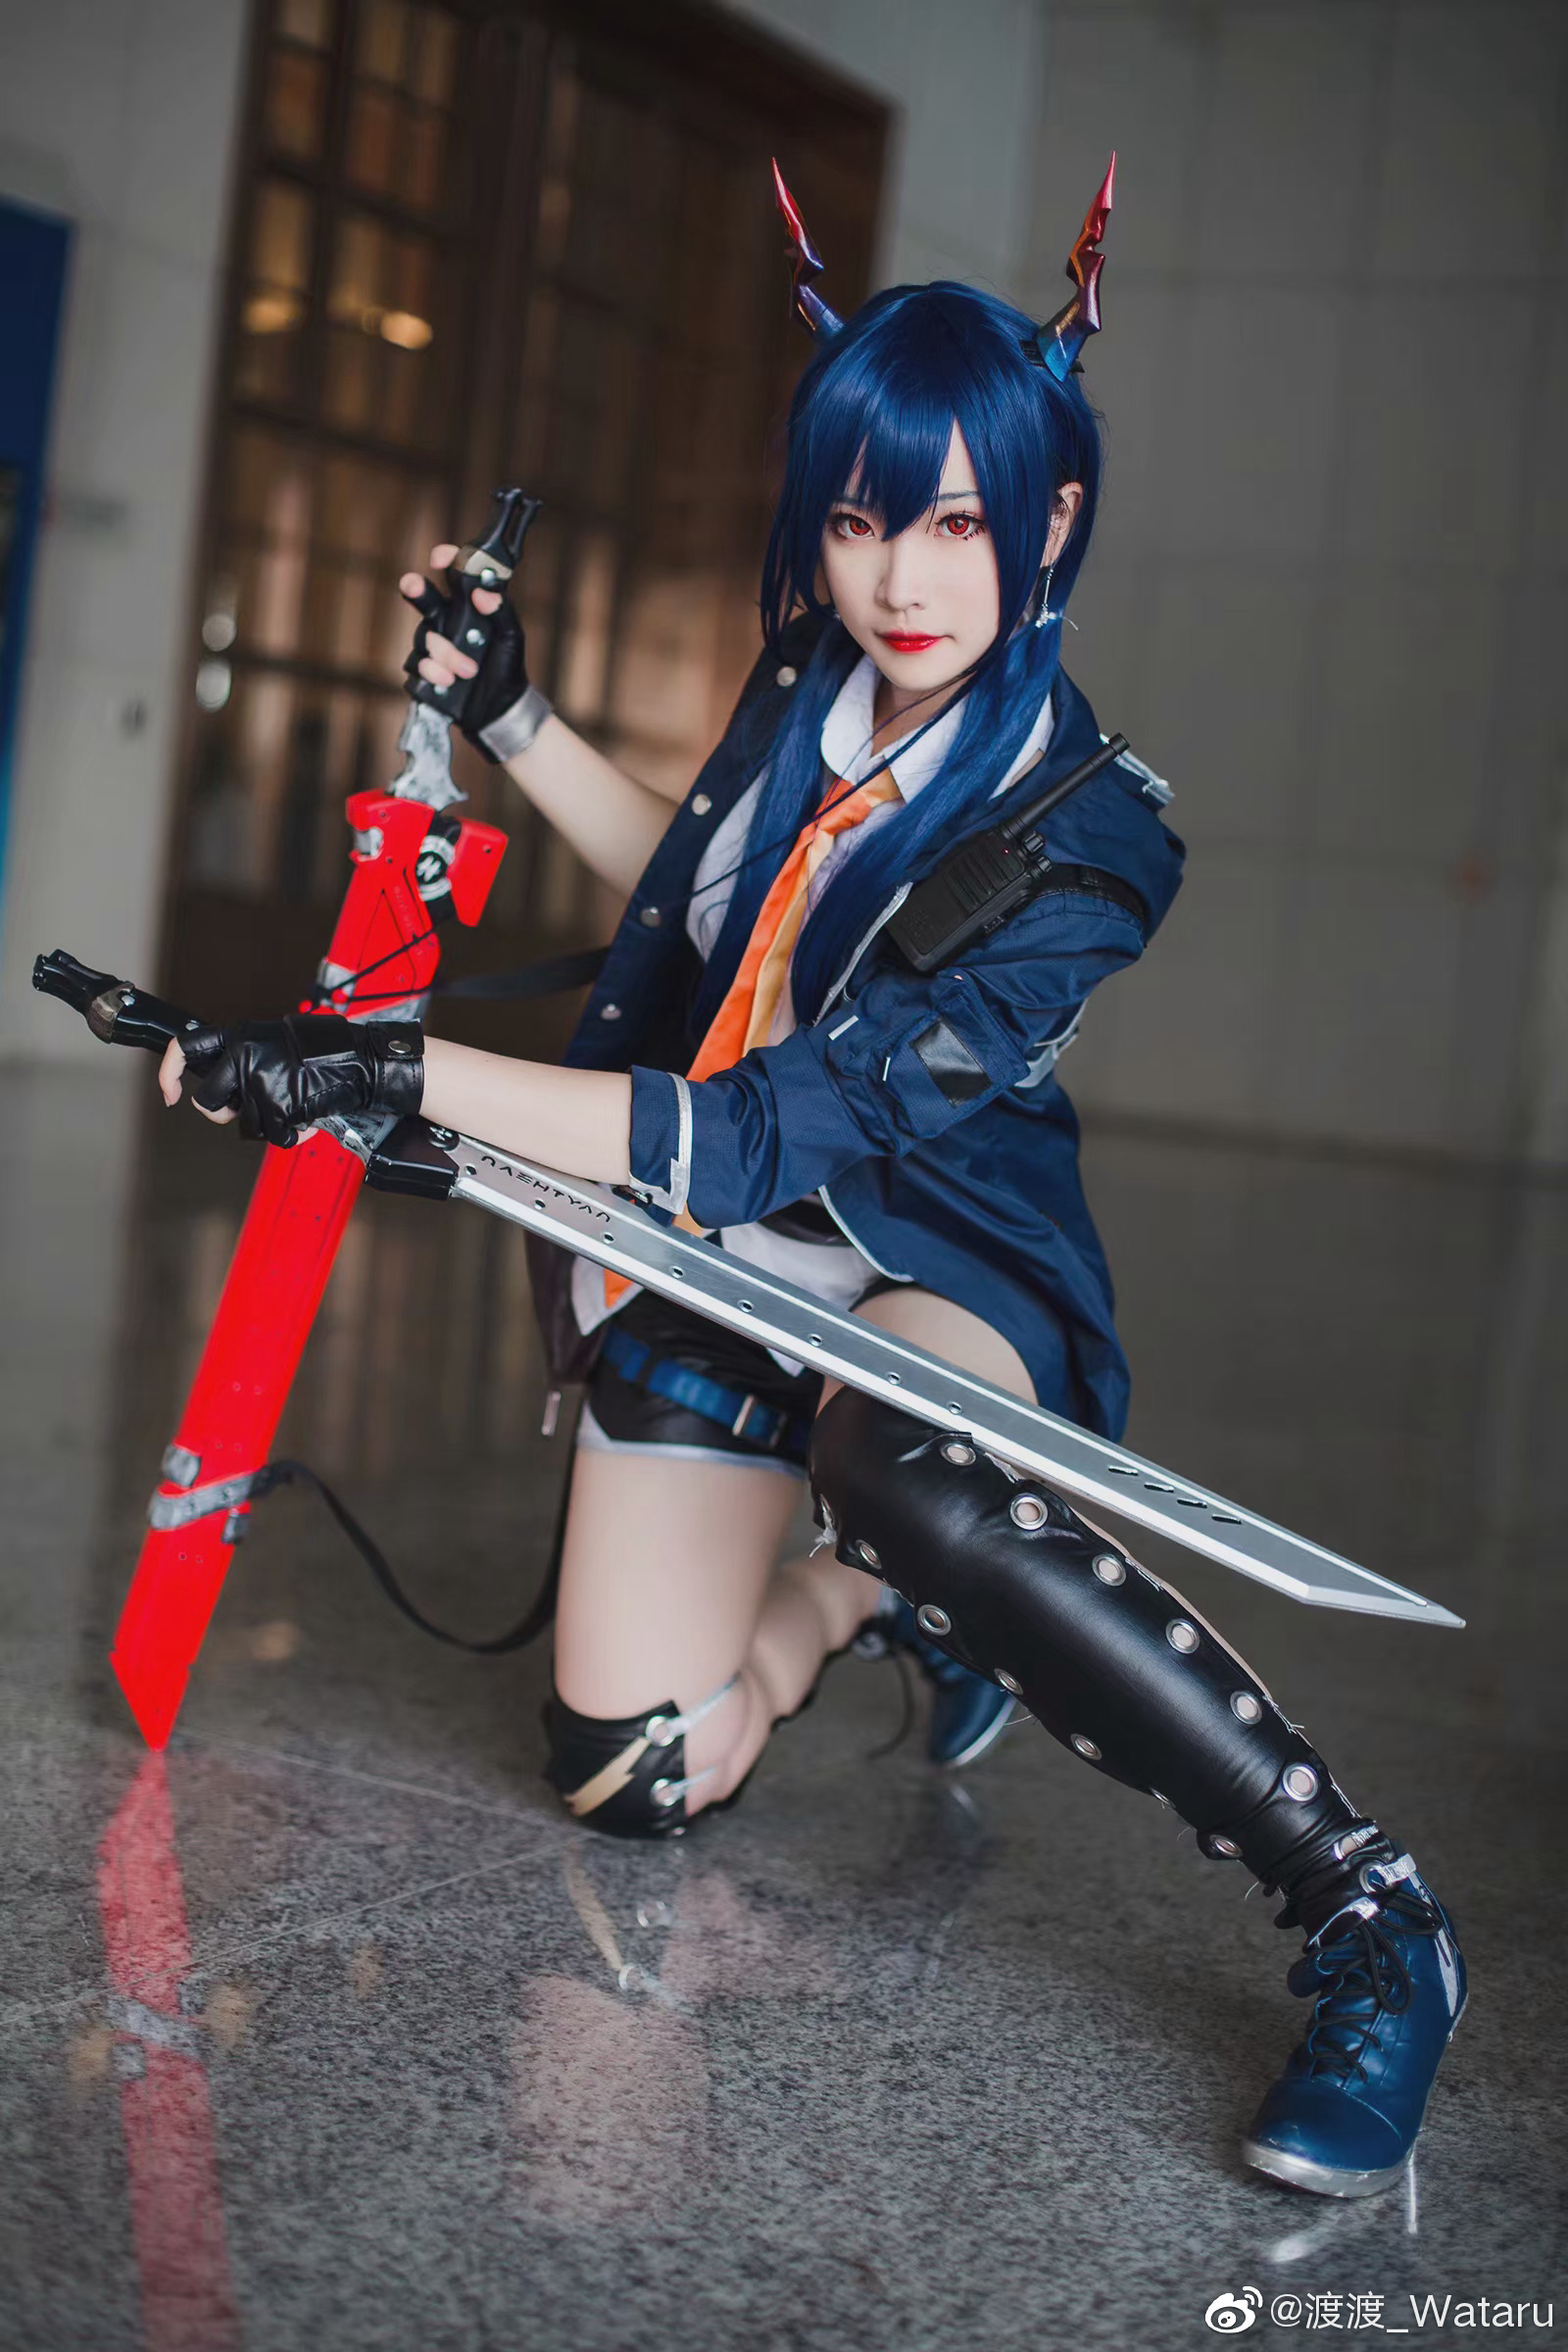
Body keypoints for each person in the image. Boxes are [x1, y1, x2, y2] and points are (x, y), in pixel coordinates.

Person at [157, 166, 1465, 2200]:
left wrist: (390, 1075)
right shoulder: (808, 682)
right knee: (629, 1770)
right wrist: (511, 716)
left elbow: (777, 1122)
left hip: (939, 1258)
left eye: (952, 522)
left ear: (1049, 519)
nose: (898, 578)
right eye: (857, 520)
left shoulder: (1091, 842)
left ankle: (1369, 1916)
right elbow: (701, 913)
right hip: (723, 1259)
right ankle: (863, 1607)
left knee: (912, 1462)